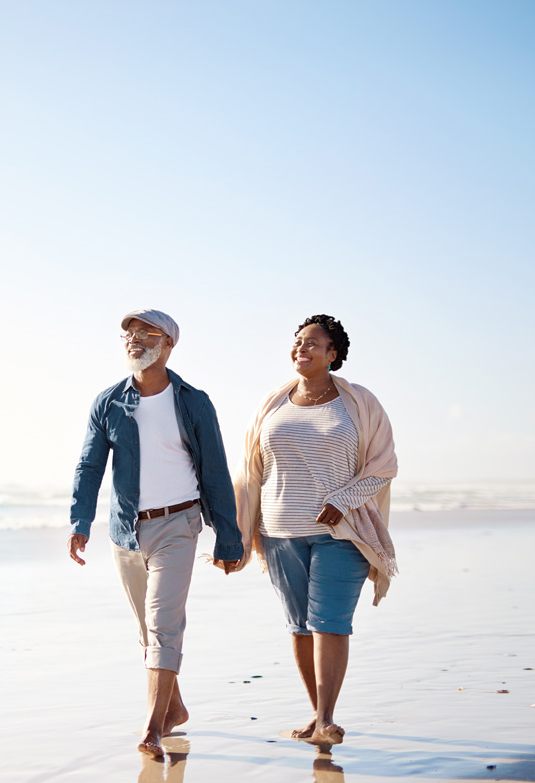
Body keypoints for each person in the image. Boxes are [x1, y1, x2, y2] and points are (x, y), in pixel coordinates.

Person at [68, 308, 242, 760]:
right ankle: (175, 707)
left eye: (147, 332)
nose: (135, 339)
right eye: (129, 332)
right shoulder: (108, 403)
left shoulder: (193, 401)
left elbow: (215, 470)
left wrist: (229, 536)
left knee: (163, 626)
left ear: (169, 344)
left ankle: (151, 728)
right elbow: (89, 467)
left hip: (178, 525)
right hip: (125, 531)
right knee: (147, 632)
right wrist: (79, 521)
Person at [226, 314, 397, 746]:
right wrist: (238, 534)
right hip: (280, 533)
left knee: (330, 623)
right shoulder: (272, 403)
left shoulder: (358, 403)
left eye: (313, 344)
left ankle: (326, 718)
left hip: (342, 534)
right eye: (298, 342)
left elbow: (383, 466)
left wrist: (342, 501)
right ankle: (314, 713)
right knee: (300, 626)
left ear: (332, 355)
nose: (302, 349)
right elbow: (249, 473)